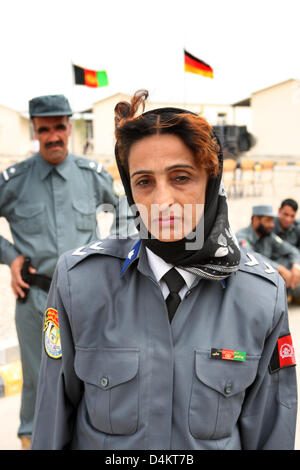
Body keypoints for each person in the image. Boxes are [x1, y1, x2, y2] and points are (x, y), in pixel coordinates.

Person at [31, 90, 297, 450]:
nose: (161, 201)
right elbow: (51, 421)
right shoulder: (80, 282)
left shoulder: (260, 295)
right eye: (144, 182)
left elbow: (270, 432)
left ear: (211, 181)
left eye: (181, 177)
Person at [0, 94, 133, 449]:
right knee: (37, 379)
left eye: (60, 127)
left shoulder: (91, 176)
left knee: (96, 373)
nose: (53, 136)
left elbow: (124, 207)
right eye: (45, 129)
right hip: (37, 299)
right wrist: (10, 256)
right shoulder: (14, 182)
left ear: (69, 127)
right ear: (35, 131)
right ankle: (32, 440)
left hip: (91, 296)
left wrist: (114, 255)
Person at [236, 205, 300, 302]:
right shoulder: (242, 236)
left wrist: (296, 266)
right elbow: (251, 257)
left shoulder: (268, 236)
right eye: (268, 221)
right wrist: (279, 268)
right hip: (254, 282)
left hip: (272, 277)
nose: (272, 225)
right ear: (256, 220)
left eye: (272, 221)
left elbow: (291, 250)